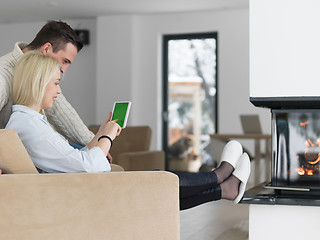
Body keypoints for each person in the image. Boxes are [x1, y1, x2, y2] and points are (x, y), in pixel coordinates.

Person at [6, 51, 251, 210]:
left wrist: (101, 132)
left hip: (79, 188)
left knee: (157, 183)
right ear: (38, 83)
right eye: (56, 84)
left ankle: (223, 188)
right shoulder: (28, 127)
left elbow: (72, 160)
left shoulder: (29, 122)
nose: (58, 92)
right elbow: (88, 166)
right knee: (157, 181)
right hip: (82, 195)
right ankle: (219, 177)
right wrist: (107, 137)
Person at [0, 20, 102, 156]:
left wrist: (96, 144)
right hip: (17, 154)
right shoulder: (3, 74)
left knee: (94, 156)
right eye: (65, 61)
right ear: (46, 49)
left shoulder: (42, 74)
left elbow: (62, 112)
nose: (64, 70)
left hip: (30, 149)